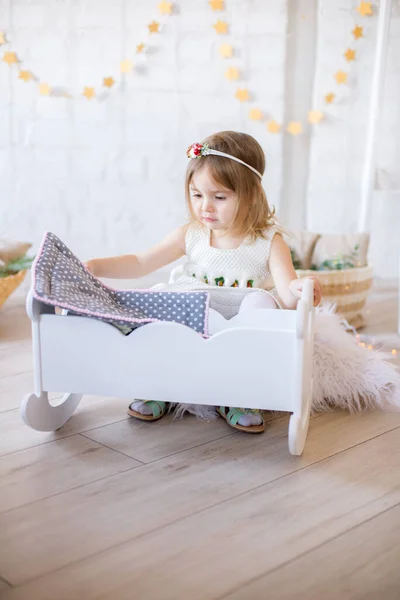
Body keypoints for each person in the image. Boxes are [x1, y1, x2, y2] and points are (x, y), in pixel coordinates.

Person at [86, 131, 322, 433]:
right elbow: (142, 261)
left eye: (219, 197)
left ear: (250, 195)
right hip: (194, 308)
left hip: (239, 317)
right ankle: (162, 386)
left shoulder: (269, 242)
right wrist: (97, 266)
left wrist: (302, 290)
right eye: (197, 195)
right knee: (165, 309)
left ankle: (240, 394)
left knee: (261, 303)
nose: (205, 207)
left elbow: (288, 296)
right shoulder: (191, 234)